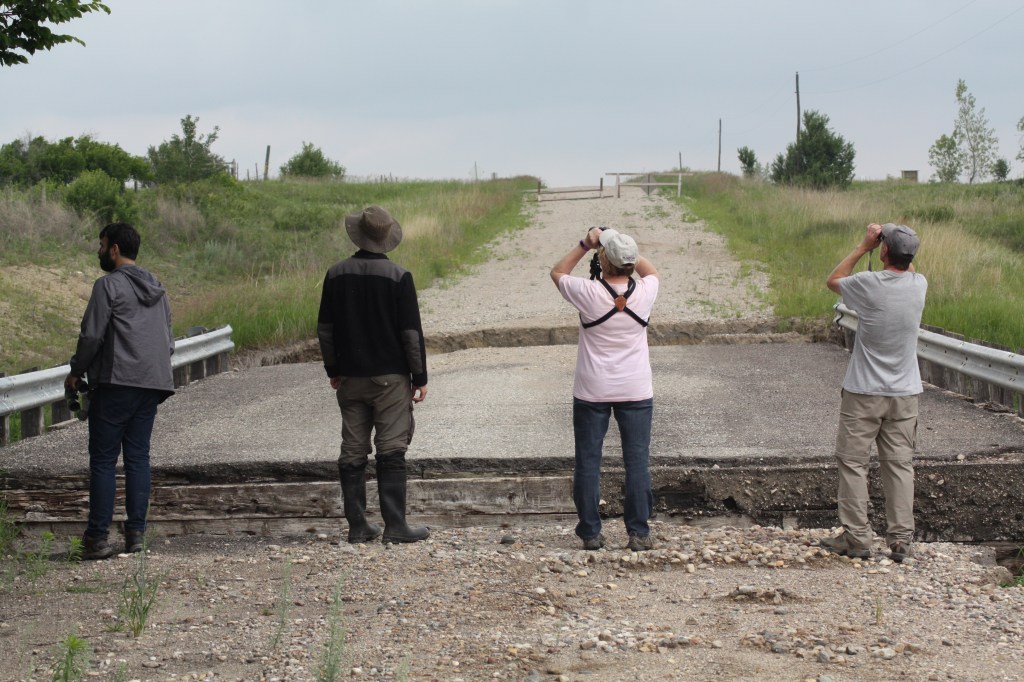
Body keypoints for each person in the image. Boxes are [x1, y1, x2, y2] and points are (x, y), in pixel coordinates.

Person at [317, 205, 430, 544]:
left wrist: (334, 369)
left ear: (358, 235)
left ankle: (358, 526)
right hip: (390, 379)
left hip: (350, 378)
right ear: (386, 238)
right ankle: (395, 526)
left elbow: (325, 330)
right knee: (391, 448)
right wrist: (420, 376)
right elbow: (411, 334)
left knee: (352, 449)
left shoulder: (335, 274)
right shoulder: (399, 277)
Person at [65, 222, 175, 560]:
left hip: (115, 383)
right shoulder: (157, 286)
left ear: (114, 249)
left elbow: (91, 337)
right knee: (138, 458)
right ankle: (136, 535)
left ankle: (97, 538)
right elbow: (168, 342)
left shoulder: (106, 286)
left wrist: (76, 372)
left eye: (101, 246)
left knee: (103, 461)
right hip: (152, 383)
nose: (99, 251)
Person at [822, 222, 926, 563]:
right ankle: (900, 539)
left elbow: (833, 280)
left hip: (864, 391)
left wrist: (863, 246)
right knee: (899, 465)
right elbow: (905, 263)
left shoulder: (869, 284)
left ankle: (858, 537)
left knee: (853, 463)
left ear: (883, 252)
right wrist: (892, 244)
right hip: (905, 392)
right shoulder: (918, 285)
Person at [550, 227, 660, 551]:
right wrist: (621, 243)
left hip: (592, 389)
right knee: (637, 460)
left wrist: (589, 242)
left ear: (604, 261)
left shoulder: (588, 292)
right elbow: (650, 270)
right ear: (628, 263)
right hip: (636, 388)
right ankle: (639, 532)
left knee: (587, 460)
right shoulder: (646, 290)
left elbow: (557, 271)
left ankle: (590, 532)